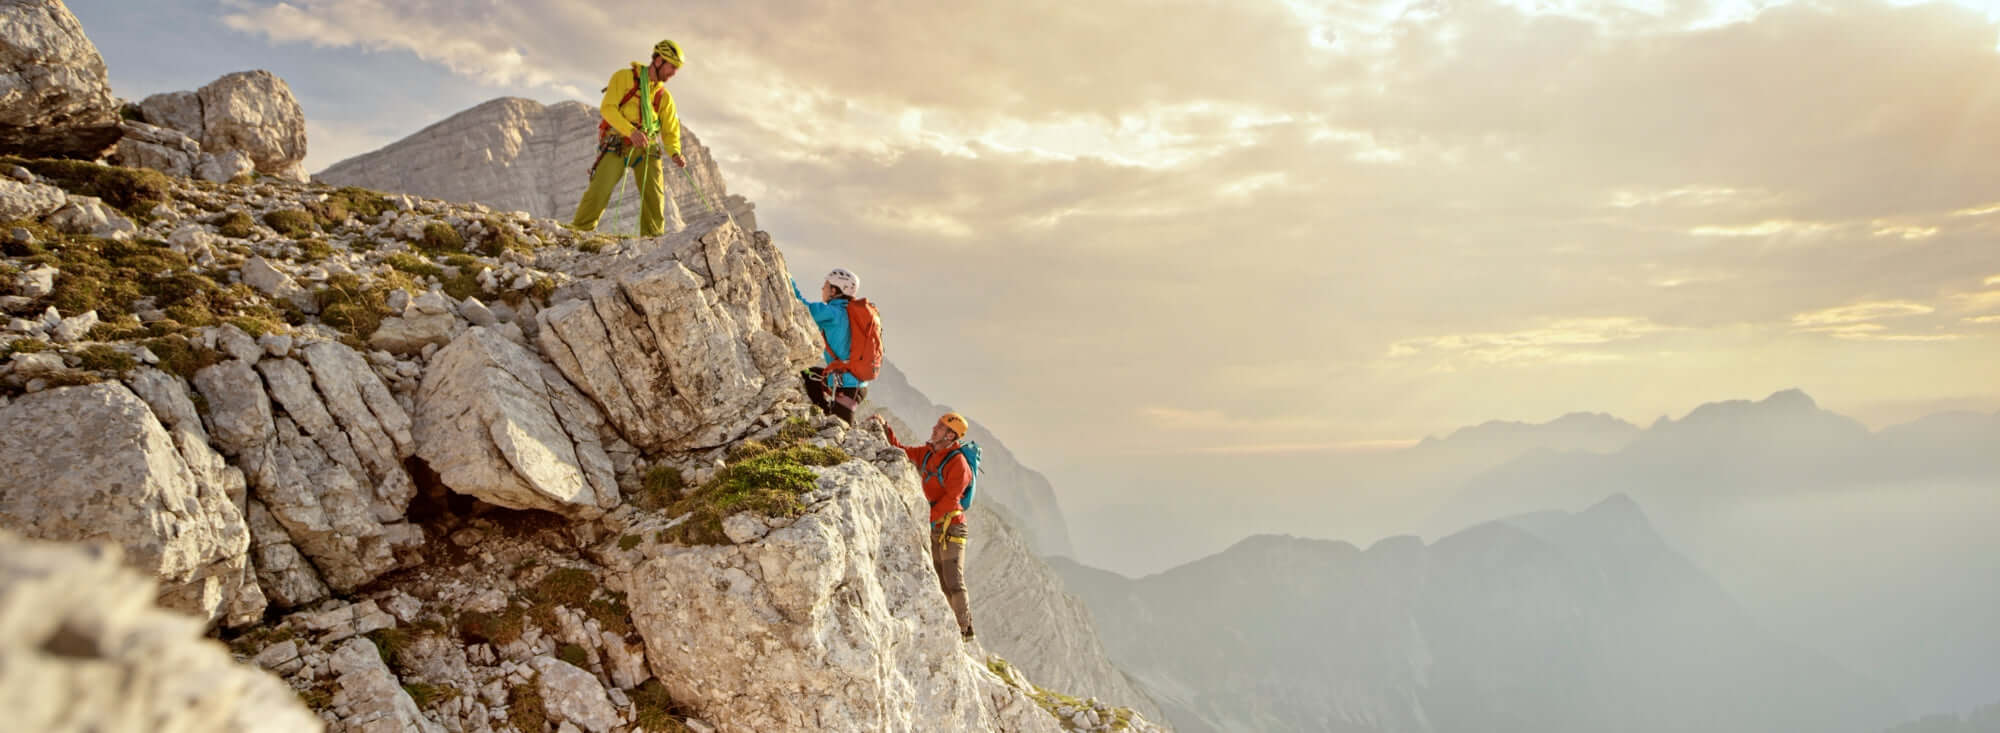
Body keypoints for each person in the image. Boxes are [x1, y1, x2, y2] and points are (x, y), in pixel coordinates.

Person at [872, 412, 977, 642]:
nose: (934, 429)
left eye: (940, 427)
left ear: (951, 435)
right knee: (940, 580)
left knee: (953, 580)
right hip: (937, 527)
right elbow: (902, 451)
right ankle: (953, 625)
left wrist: (925, 516)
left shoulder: (958, 464)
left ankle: (964, 629)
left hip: (952, 527)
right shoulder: (929, 453)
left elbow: (952, 499)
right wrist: (885, 427)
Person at [570, 39, 687, 237]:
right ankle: (577, 234)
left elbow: (670, 130)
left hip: (648, 148)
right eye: (671, 66)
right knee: (599, 191)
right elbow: (608, 108)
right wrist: (630, 132)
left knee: (654, 199)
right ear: (658, 61)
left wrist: (674, 152)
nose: (673, 73)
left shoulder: (664, 97)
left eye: (676, 69)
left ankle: (653, 243)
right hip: (618, 144)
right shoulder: (623, 78)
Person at [793, 268, 870, 423]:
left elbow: (801, 307)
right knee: (810, 374)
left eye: (826, 285)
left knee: (842, 431)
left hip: (848, 387)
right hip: (852, 382)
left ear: (834, 290)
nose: (822, 288)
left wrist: (789, 281)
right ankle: (823, 413)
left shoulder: (833, 313)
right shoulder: (847, 311)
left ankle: (825, 416)